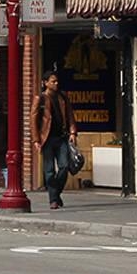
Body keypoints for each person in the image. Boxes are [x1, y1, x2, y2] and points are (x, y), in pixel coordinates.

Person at [33, 69, 78, 211]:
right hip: (47, 138)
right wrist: (36, 140)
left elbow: (70, 115)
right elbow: (33, 120)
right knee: (49, 170)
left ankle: (56, 192)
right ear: (45, 83)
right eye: (53, 81)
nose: (56, 83)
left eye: (57, 81)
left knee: (64, 166)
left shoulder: (63, 97)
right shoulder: (40, 99)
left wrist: (73, 132)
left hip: (61, 137)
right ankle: (53, 199)